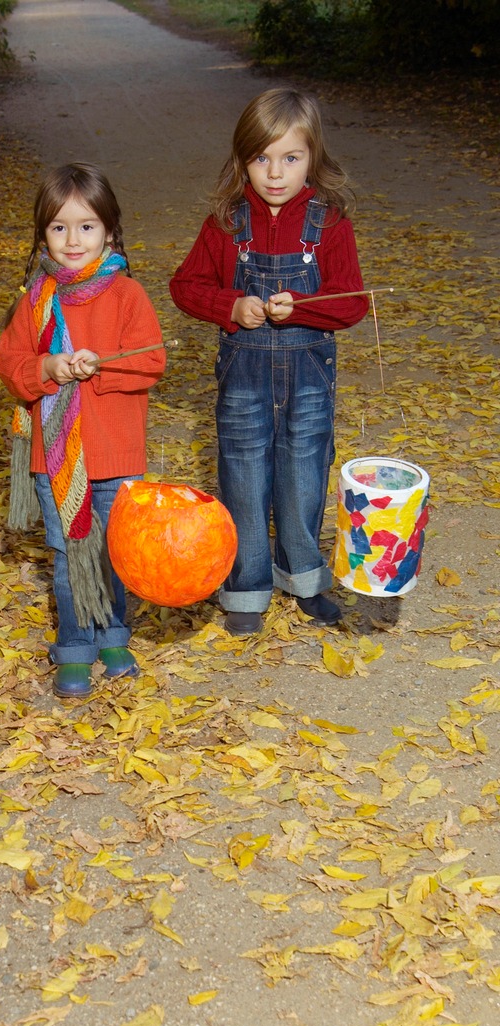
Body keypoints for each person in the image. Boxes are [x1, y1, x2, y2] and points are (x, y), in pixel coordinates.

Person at [170, 87, 369, 634]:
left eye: (291, 158)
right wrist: (230, 304)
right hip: (244, 378)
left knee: (304, 472)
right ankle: (246, 587)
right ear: (242, 161)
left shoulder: (329, 224)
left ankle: (304, 577)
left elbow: (353, 301)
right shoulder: (226, 223)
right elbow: (184, 285)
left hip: (308, 379)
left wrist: (303, 307)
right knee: (243, 474)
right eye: (261, 158)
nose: (275, 173)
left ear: (313, 158)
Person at [0, 162, 166, 699]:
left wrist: (102, 365)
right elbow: (9, 363)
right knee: (70, 557)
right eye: (59, 227)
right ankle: (73, 645)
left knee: (114, 550)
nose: (73, 239)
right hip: (57, 459)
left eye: (87, 226)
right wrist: (47, 368)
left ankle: (114, 635)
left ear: (109, 231)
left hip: (116, 455)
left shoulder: (127, 296)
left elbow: (152, 361)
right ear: (43, 233)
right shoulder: (36, 300)